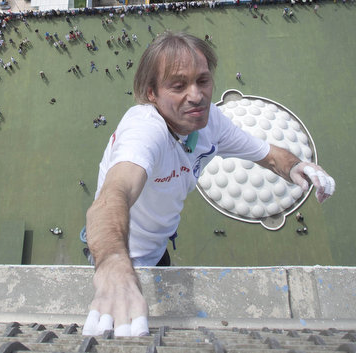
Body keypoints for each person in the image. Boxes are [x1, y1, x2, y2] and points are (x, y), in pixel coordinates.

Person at [83, 31, 336, 337]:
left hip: (156, 247)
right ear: (151, 93)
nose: (196, 95)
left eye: (202, 81)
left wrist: (297, 167)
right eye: (178, 85)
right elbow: (114, 194)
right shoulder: (145, 129)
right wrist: (112, 266)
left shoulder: (209, 121)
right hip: (121, 253)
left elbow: (268, 155)